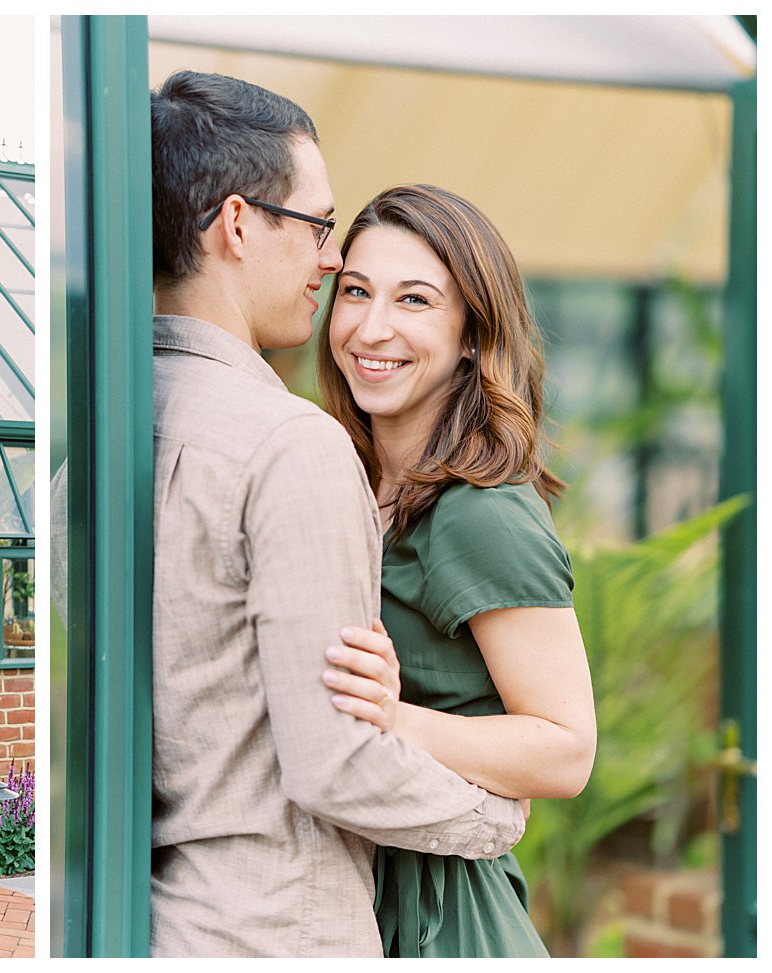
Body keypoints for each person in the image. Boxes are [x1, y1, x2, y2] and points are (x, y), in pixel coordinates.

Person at [106, 69, 529, 957]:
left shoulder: (101, 436)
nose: (331, 261)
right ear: (234, 224)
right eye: (319, 227)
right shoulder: (290, 445)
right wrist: (494, 816)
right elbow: (337, 762)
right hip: (274, 930)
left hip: (147, 924)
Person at [313, 184, 596, 956]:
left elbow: (568, 748)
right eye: (356, 292)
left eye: (415, 300)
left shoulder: (479, 511)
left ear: (472, 332)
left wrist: (393, 718)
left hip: (448, 919)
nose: (373, 328)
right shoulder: (353, 479)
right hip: (349, 897)